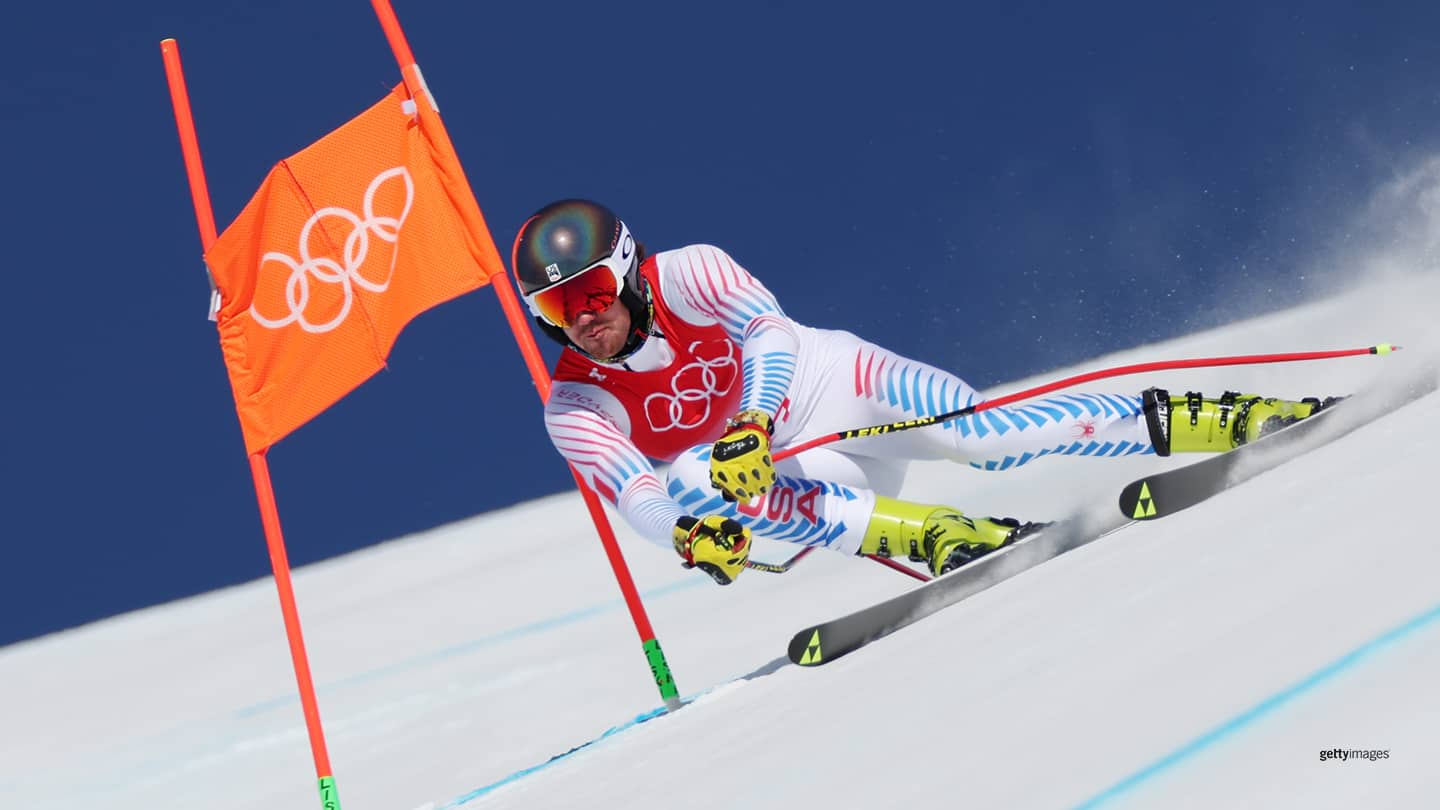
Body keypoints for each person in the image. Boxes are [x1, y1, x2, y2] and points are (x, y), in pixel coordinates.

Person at [512, 199, 1333, 584]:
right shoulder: (576, 405)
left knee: (986, 438)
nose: (581, 318)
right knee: (697, 481)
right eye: (555, 307)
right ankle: (943, 536)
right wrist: (689, 538)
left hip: (842, 383)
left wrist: (754, 419)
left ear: (627, 271)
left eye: (590, 291)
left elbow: (768, 331)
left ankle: (1222, 418)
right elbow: (637, 494)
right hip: (808, 475)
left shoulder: (690, 272)